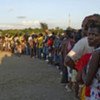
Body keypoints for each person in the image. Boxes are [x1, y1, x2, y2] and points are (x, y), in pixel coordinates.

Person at [84, 22, 100, 100]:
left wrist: (83, 70)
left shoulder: (97, 53)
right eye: (89, 34)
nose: (90, 37)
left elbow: (87, 82)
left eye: (94, 35)